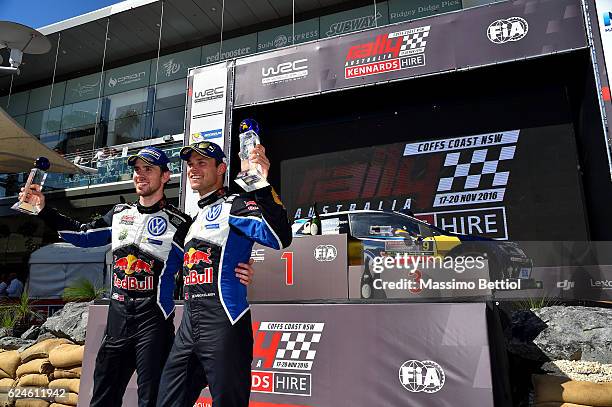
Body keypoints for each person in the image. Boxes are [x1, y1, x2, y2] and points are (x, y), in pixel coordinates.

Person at [19, 146, 255, 407]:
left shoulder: (181, 224)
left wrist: (242, 266)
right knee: (102, 399)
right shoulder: (120, 214)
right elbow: (83, 236)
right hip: (117, 323)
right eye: (137, 170)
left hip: (153, 326)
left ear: (166, 176)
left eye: (149, 169)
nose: (141, 175)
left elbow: (213, 252)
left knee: (152, 401)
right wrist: (43, 210)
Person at [157, 141, 292, 407]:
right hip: (188, 327)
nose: (194, 169)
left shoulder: (236, 205)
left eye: (202, 163)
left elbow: (279, 238)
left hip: (225, 323)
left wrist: (259, 184)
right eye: (190, 164)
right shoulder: (192, 222)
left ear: (221, 168)